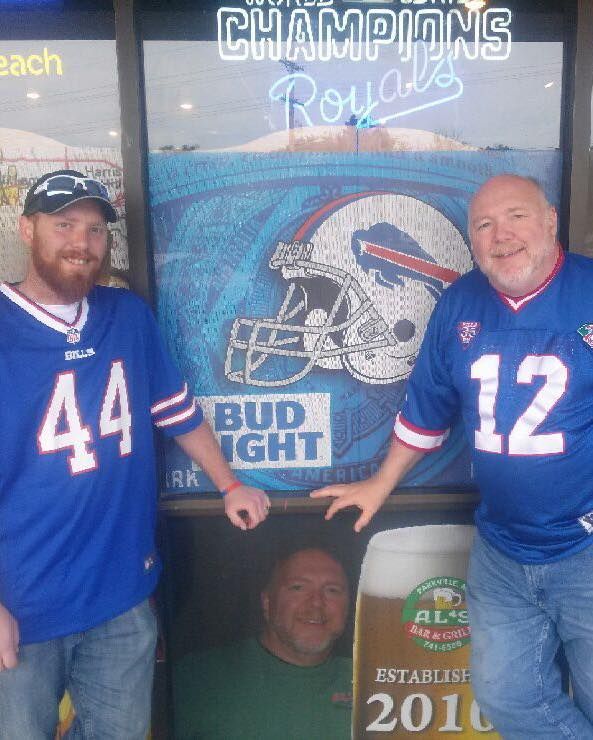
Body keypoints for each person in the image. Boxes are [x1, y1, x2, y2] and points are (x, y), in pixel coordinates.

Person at [312, 174, 593, 739]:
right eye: (484, 225)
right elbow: (427, 411)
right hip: (503, 550)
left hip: (585, 548)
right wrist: (380, 484)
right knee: (507, 697)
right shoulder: (461, 302)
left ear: (550, 222)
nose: (501, 235)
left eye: (515, 216)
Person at [0, 170, 270, 739]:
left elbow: (174, 412)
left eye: (96, 229)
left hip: (119, 596)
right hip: (20, 608)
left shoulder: (127, 315)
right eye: (64, 224)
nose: (82, 242)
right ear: (27, 229)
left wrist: (229, 484)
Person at [174, 547, 352, 739]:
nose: (316, 602)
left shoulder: (372, 681)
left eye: (332, 590)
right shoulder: (199, 678)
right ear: (267, 602)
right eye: (298, 587)